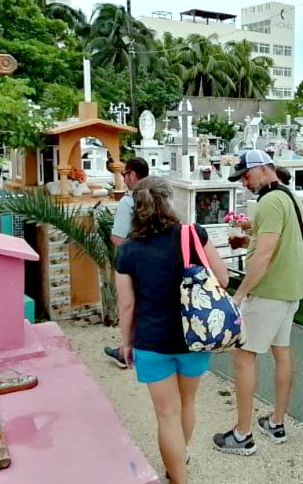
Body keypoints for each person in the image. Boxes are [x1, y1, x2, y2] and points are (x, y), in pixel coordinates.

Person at [114, 177, 230, 484]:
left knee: (166, 414)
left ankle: (179, 476)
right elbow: (224, 278)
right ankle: (180, 456)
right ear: (168, 201)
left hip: (152, 342)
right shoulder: (193, 235)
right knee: (187, 403)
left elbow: (126, 306)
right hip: (194, 336)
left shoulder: (127, 252)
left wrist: (125, 343)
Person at [214, 149, 303, 455]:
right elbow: (277, 236)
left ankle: (242, 435)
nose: (244, 183)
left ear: (265, 170)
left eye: (246, 176)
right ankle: (276, 423)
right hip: (291, 290)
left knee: (243, 357)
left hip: (267, 293)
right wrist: (249, 236)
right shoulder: (290, 197)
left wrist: (239, 296)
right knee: (282, 353)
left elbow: (265, 255)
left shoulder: (268, 202)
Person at [104, 157, 150, 368]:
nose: (123, 178)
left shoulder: (128, 201)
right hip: (159, 259)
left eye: (124, 174)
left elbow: (118, 238)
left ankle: (126, 350)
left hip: (133, 263)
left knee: (129, 305)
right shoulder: (157, 197)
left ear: (132, 175)